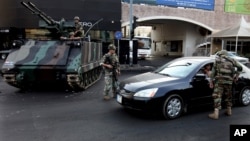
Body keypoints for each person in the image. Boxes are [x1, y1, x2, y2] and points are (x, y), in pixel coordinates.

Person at [208, 50, 242, 120]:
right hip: (229, 82)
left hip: (219, 82)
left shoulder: (217, 60)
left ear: (220, 54)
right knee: (228, 96)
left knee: (217, 96)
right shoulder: (232, 60)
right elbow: (240, 67)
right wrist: (236, 76)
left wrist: (211, 82)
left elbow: (213, 72)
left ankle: (216, 114)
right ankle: (229, 111)